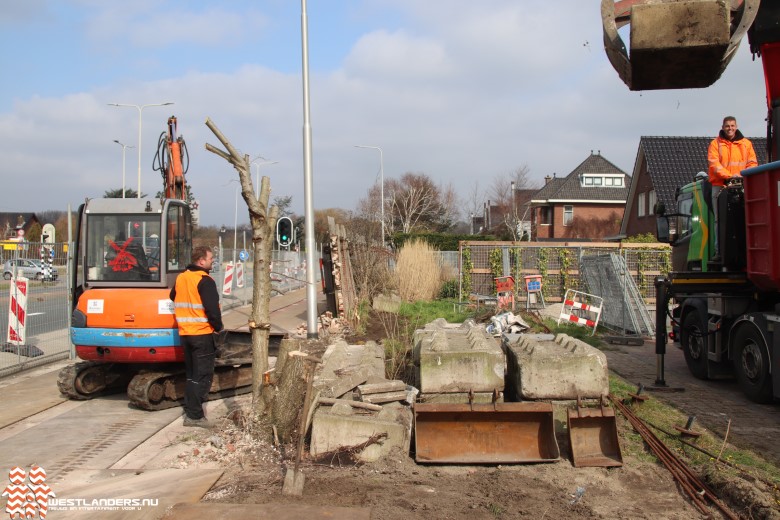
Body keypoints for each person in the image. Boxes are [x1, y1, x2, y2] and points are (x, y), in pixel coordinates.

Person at [170, 246, 223, 428]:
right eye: (210, 258)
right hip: (202, 333)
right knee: (203, 376)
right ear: (201, 260)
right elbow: (212, 309)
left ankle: (192, 411)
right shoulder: (205, 280)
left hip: (185, 333)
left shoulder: (182, 277)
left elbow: (172, 296)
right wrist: (218, 327)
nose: (212, 261)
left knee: (192, 374)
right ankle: (194, 416)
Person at [707, 116, 757, 259]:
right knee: (719, 219)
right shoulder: (715, 144)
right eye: (727, 126)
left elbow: (753, 162)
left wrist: (742, 175)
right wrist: (729, 176)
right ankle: (720, 251)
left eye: (732, 126)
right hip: (720, 185)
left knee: (745, 216)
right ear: (723, 127)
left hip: (741, 185)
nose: (730, 128)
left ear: (736, 126)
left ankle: (746, 249)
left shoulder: (746, 144)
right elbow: (714, 164)